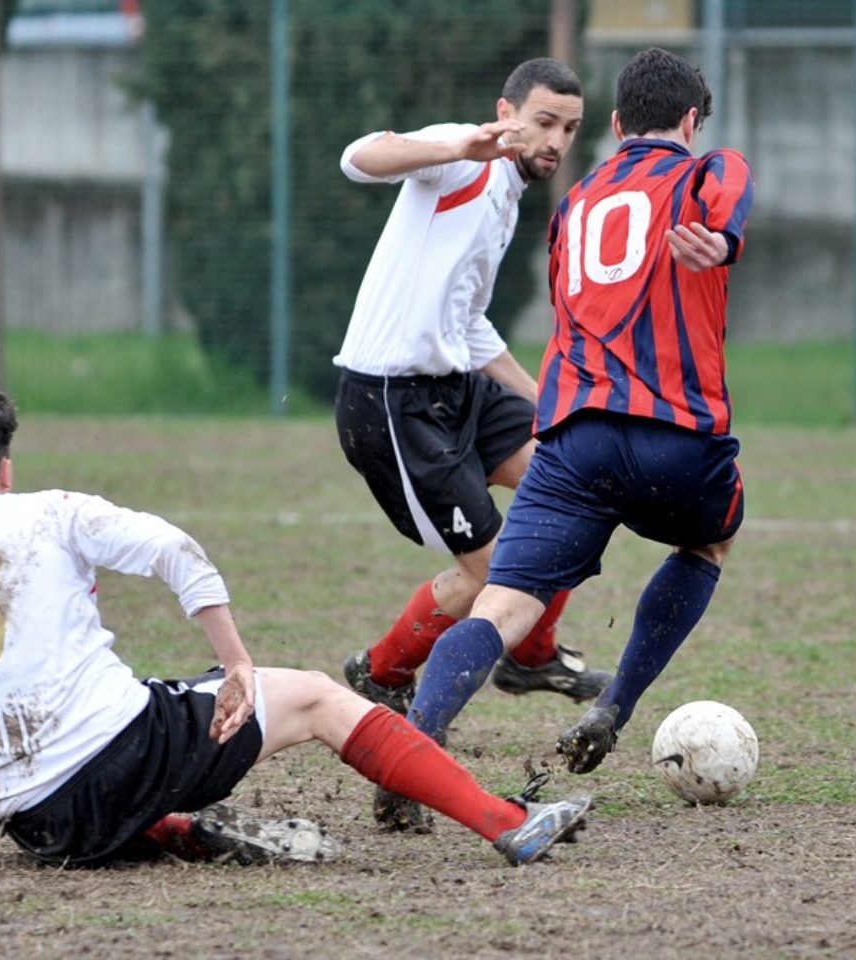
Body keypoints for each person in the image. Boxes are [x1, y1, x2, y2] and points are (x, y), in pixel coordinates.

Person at [0, 390, 591, 872]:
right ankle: (504, 822)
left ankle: (184, 831)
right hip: (121, 758)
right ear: (5, 470)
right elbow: (179, 552)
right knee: (324, 700)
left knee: (139, 720)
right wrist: (239, 663)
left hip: (29, 824)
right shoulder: (54, 511)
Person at [392, 47, 755, 779]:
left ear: (617, 123)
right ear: (690, 120)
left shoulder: (575, 204)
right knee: (708, 545)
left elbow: (572, 309)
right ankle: (614, 707)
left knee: (503, 605)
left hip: (572, 441)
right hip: (677, 437)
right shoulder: (710, 168)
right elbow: (727, 206)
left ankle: (416, 749)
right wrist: (717, 245)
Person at [333, 59, 610, 820]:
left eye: (569, 129)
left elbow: (468, 322)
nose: (555, 140)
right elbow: (359, 157)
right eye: (544, 121)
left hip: (457, 388)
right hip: (393, 397)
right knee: (495, 574)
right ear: (507, 112)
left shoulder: (509, 196)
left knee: (575, 478)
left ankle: (526, 657)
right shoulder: (464, 158)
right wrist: (458, 147)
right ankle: (400, 722)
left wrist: (547, 395)